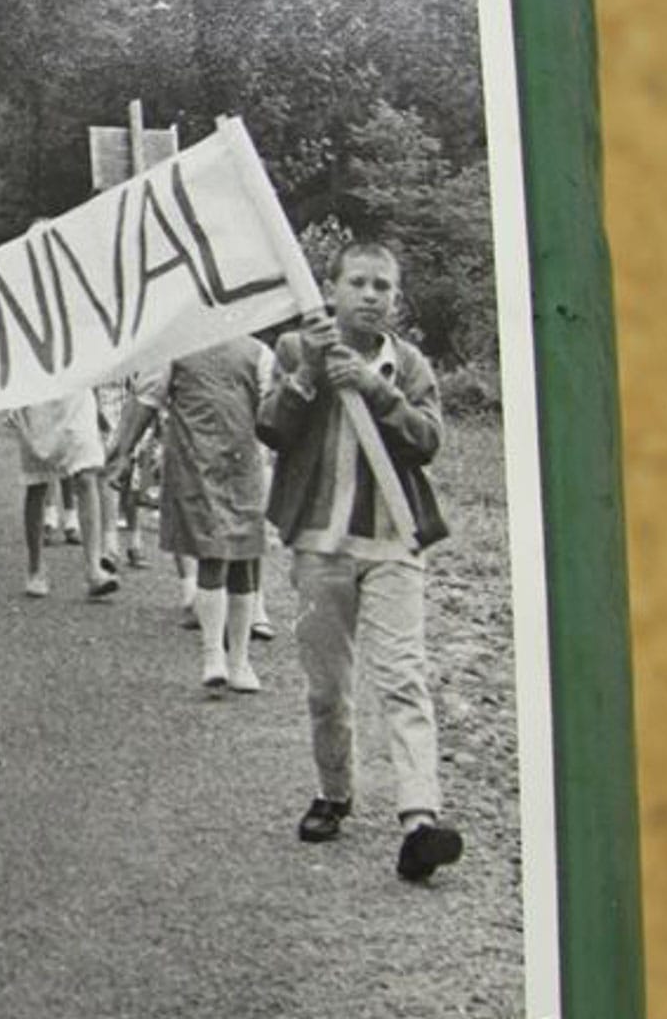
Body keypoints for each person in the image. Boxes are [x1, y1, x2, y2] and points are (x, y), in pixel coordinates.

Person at [258, 241, 461, 881]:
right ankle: (335, 792)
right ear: (333, 287)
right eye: (359, 283)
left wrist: (373, 387)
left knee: (404, 675)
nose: (371, 296)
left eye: (384, 287)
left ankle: (419, 819)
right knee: (327, 686)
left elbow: (428, 442)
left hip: (394, 540)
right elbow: (271, 428)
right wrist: (312, 372)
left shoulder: (409, 364)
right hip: (320, 541)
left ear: (396, 299)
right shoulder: (297, 347)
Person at [110, 337, 275, 693]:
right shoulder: (175, 349)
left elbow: (275, 411)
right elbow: (146, 401)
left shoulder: (258, 353)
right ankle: (213, 654)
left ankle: (240, 660)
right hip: (195, 463)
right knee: (213, 554)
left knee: (244, 560)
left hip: (243, 467)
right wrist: (123, 452)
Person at [4, 389, 120, 601]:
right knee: (37, 483)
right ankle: (35, 567)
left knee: (86, 474)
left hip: (76, 393)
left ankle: (94, 570)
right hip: (38, 396)